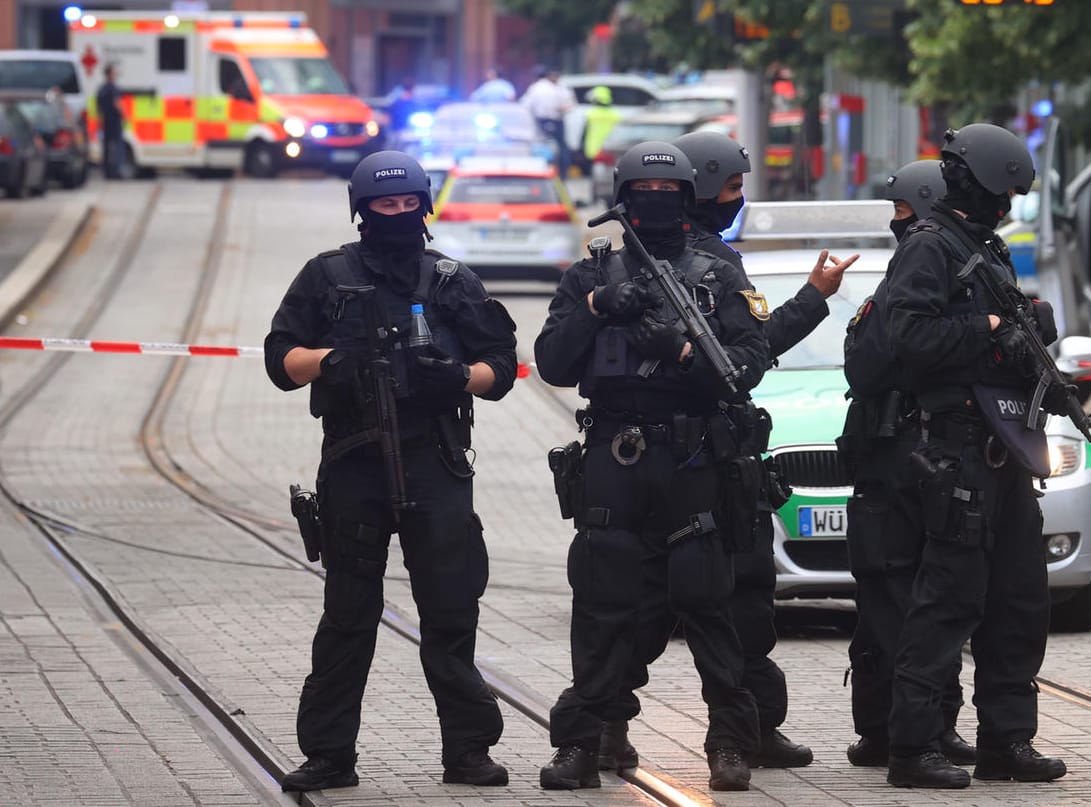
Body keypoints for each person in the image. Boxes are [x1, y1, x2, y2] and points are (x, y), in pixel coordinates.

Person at [591, 130, 855, 774]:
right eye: (733, 188)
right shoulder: (691, 261)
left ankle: (744, 728)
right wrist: (813, 300)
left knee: (741, 598)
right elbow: (752, 355)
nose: (738, 200)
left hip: (715, 456)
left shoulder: (708, 257)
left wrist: (812, 297)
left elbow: (748, 350)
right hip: (689, 461)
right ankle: (613, 723)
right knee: (694, 600)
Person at [264, 151, 518, 792]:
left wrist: (459, 376)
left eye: (410, 204)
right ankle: (328, 754)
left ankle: (467, 751)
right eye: (386, 205)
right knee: (348, 615)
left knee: (450, 612)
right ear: (361, 210)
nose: (399, 215)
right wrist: (328, 361)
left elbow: (502, 367)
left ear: (425, 206)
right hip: (356, 463)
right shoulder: (326, 277)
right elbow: (279, 357)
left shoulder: (451, 279)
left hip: (435, 462)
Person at [534, 140, 768, 792]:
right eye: (645, 195)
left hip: (692, 454)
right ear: (624, 198)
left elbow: (749, 360)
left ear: (687, 197)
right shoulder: (591, 275)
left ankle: (729, 740)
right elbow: (551, 361)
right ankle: (583, 740)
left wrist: (685, 350)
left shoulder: (717, 271)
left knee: (705, 595)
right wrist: (595, 311)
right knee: (603, 599)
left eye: (669, 196)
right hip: (614, 455)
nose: (656, 206)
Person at [881, 124, 1068, 789]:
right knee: (946, 602)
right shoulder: (930, 249)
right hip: (954, 449)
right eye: (1006, 192)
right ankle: (913, 747)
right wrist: (989, 328)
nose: (1010, 205)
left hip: (1003, 449)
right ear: (978, 184)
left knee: (1019, 600)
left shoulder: (985, 250)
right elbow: (907, 335)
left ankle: (1006, 740)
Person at [839, 158, 978, 773]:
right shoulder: (901, 290)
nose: (898, 226)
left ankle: (931, 726)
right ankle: (888, 732)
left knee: (931, 603)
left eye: (904, 213)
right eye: (895, 216)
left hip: (924, 463)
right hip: (893, 464)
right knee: (894, 606)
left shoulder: (948, 279)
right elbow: (870, 368)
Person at [520, 66, 576, 178]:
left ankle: (547, 172)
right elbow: (570, 105)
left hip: (543, 121)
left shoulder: (537, 87)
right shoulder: (558, 88)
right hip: (554, 121)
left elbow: (525, 106)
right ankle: (562, 175)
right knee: (560, 148)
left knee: (543, 147)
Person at [580, 86, 623, 168]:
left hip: (593, 150)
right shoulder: (615, 115)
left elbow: (584, 134)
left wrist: (581, 148)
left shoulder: (591, 114)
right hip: (611, 149)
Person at [96, 64, 124, 179]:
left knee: (106, 147)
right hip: (114, 121)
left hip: (105, 122)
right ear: (109, 75)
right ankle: (116, 172)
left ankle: (106, 172)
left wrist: (100, 120)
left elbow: (98, 107)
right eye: (113, 73)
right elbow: (116, 103)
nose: (115, 75)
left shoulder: (101, 89)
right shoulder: (113, 88)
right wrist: (123, 114)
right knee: (117, 147)